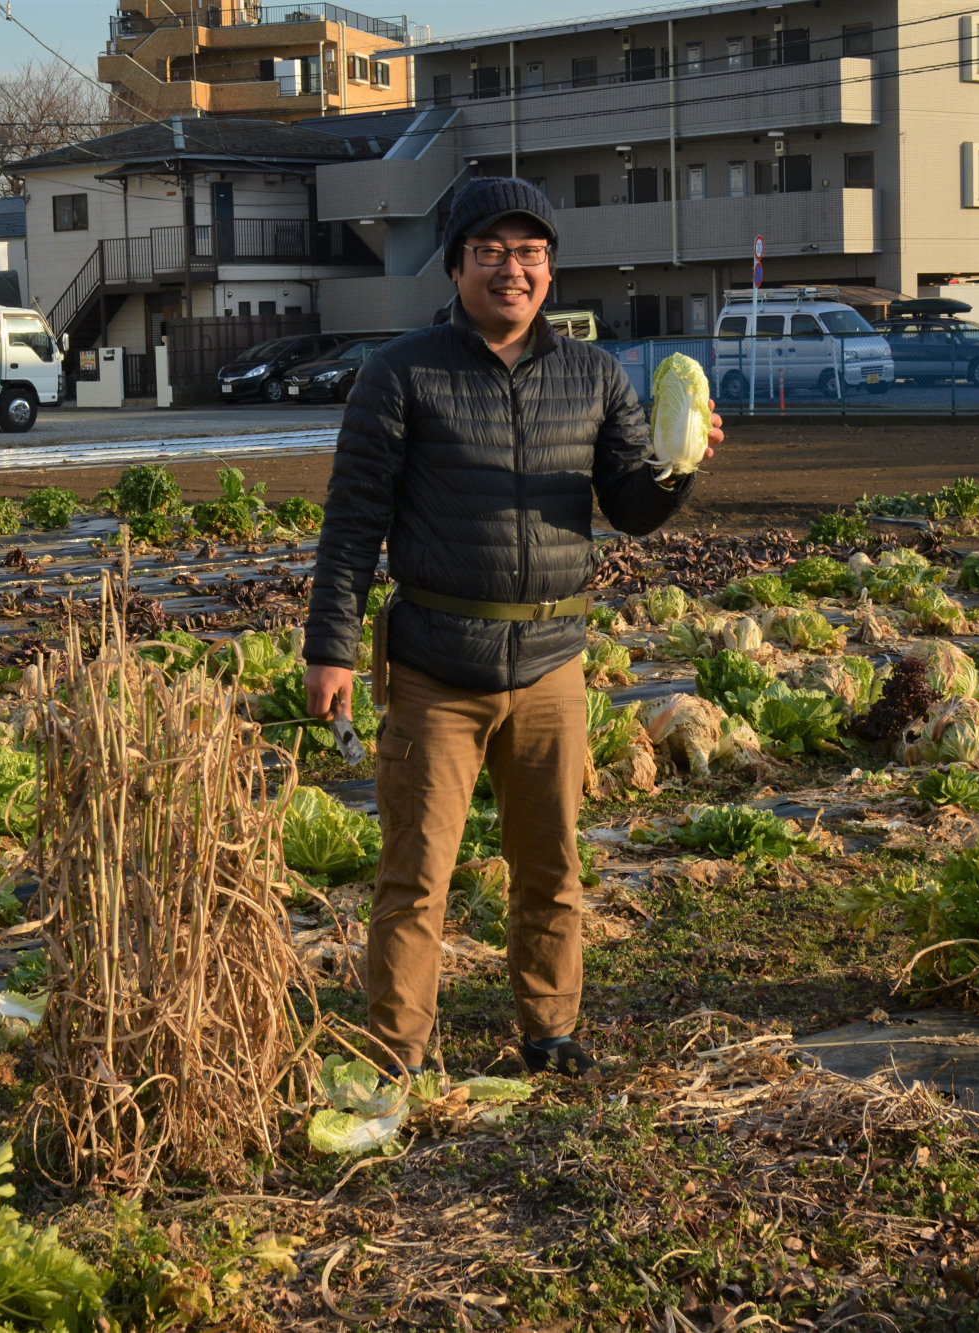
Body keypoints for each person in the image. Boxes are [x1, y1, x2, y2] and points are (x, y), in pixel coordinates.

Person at [302, 177, 718, 1081]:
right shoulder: (403, 373)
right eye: (490, 250)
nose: (512, 268)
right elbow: (352, 522)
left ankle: (550, 1031)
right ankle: (395, 1054)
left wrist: (682, 469)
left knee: (553, 868)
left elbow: (632, 507)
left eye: (530, 252)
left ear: (550, 269)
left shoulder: (593, 376)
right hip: (434, 668)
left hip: (550, 664)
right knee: (417, 880)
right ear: (453, 265)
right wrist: (329, 647)